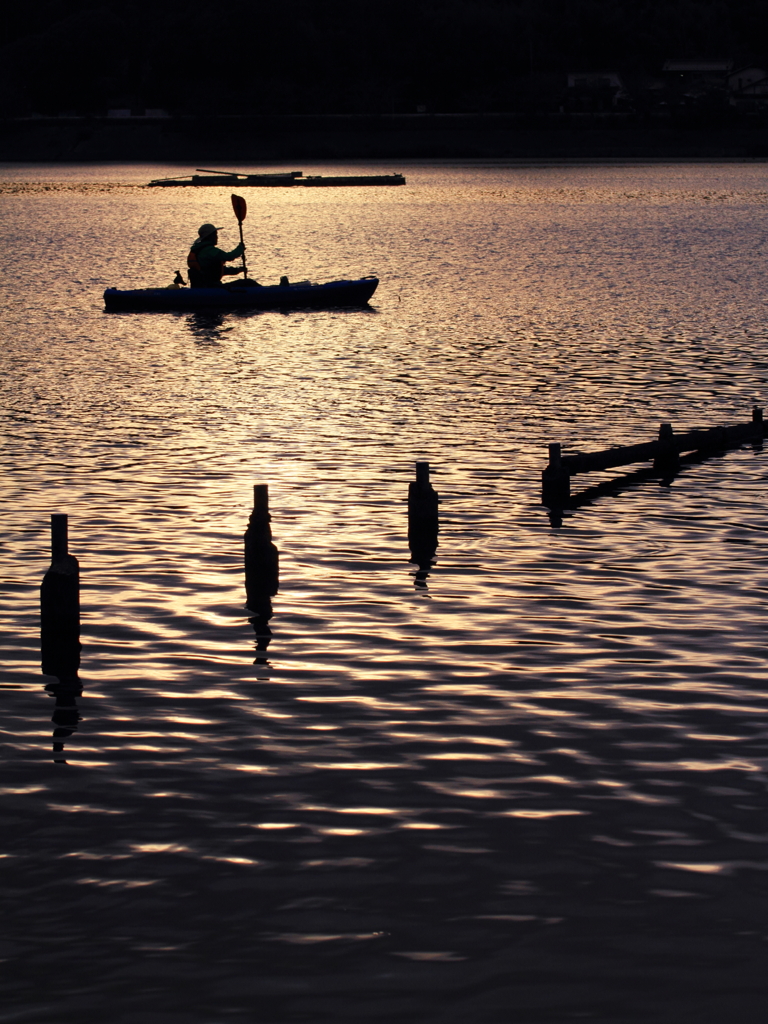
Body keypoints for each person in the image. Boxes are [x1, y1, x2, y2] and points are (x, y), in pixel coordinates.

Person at [187, 223, 246, 288]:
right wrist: (240, 248)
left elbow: (216, 271)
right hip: (212, 287)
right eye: (215, 235)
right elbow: (229, 256)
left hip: (204, 286)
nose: (217, 237)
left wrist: (238, 270)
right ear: (210, 236)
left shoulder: (198, 250)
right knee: (248, 282)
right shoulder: (210, 251)